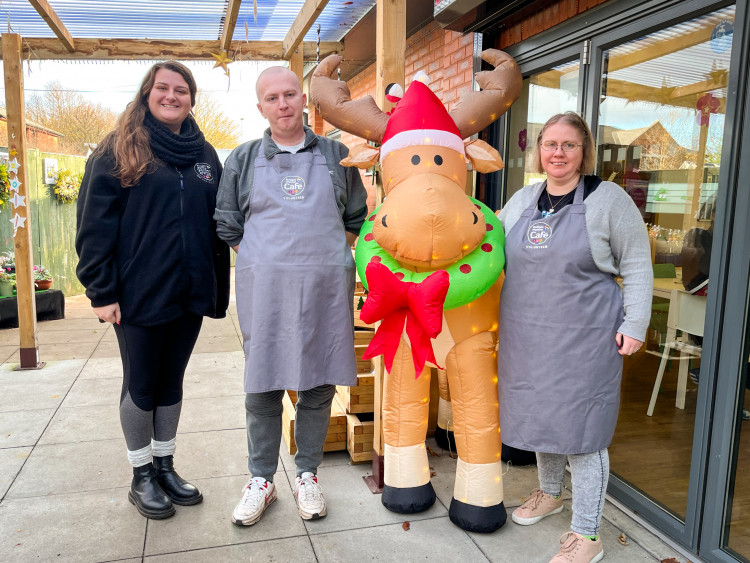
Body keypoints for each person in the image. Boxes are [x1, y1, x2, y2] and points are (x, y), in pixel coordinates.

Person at [76, 61, 230, 520]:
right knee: (141, 385)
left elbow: (220, 217)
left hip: (190, 292)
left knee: (171, 382)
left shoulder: (204, 154)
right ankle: (140, 475)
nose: (171, 96)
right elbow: (93, 228)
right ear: (147, 94)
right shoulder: (117, 150)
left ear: (191, 98)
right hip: (139, 295)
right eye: (162, 88)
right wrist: (101, 291)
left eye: (180, 89)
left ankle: (165, 466)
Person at [214, 66, 368, 526]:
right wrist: (272, 261)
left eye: (289, 95)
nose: (282, 104)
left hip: (324, 290)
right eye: (271, 98)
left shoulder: (338, 156)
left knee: (318, 384)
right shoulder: (242, 160)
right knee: (263, 385)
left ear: (303, 100)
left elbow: (356, 219)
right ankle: (261, 480)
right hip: (267, 293)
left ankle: (306, 475)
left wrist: (319, 259)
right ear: (260, 106)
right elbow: (228, 225)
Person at [496, 111, 652, 562]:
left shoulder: (609, 201)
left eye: (568, 145)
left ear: (584, 152)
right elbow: (485, 243)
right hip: (529, 336)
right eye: (550, 144)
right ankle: (549, 493)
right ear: (539, 150)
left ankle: (587, 533)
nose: (558, 153)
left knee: (584, 434)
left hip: (586, 338)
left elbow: (638, 264)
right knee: (544, 420)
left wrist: (635, 324)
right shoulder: (525, 199)